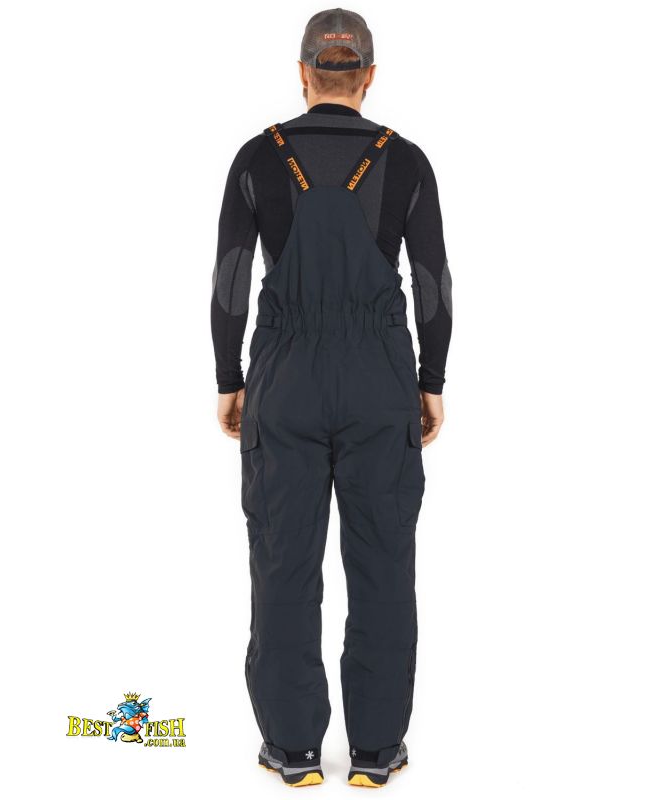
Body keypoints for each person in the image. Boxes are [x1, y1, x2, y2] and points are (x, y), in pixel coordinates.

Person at [211, 8, 452, 788]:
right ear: (369, 76)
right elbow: (434, 286)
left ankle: (292, 750)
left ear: (303, 73)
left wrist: (229, 379)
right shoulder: (406, 161)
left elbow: (229, 282)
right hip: (380, 381)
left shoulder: (257, 157)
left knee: (283, 563)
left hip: (283, 380)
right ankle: (376, 752)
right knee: (383, 562)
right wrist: (431, 381)